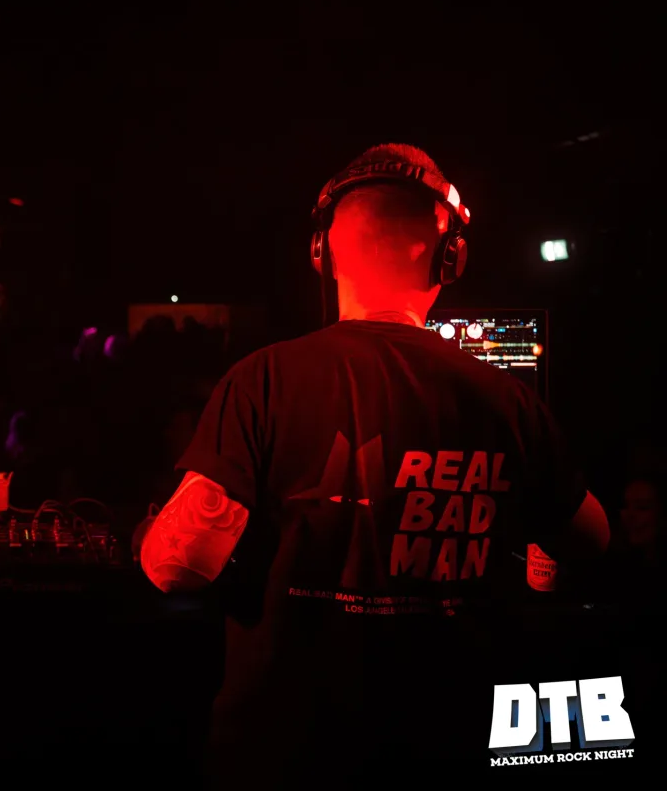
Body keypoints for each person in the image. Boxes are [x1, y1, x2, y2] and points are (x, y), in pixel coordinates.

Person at [139, 145, 610, 782]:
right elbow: (590, 538)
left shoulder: (264, 380)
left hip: (284, 756)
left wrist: (148, 532)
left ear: (324, 253)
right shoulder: (509, 401)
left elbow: (179, 567)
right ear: (450, 257)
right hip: (451, 743)